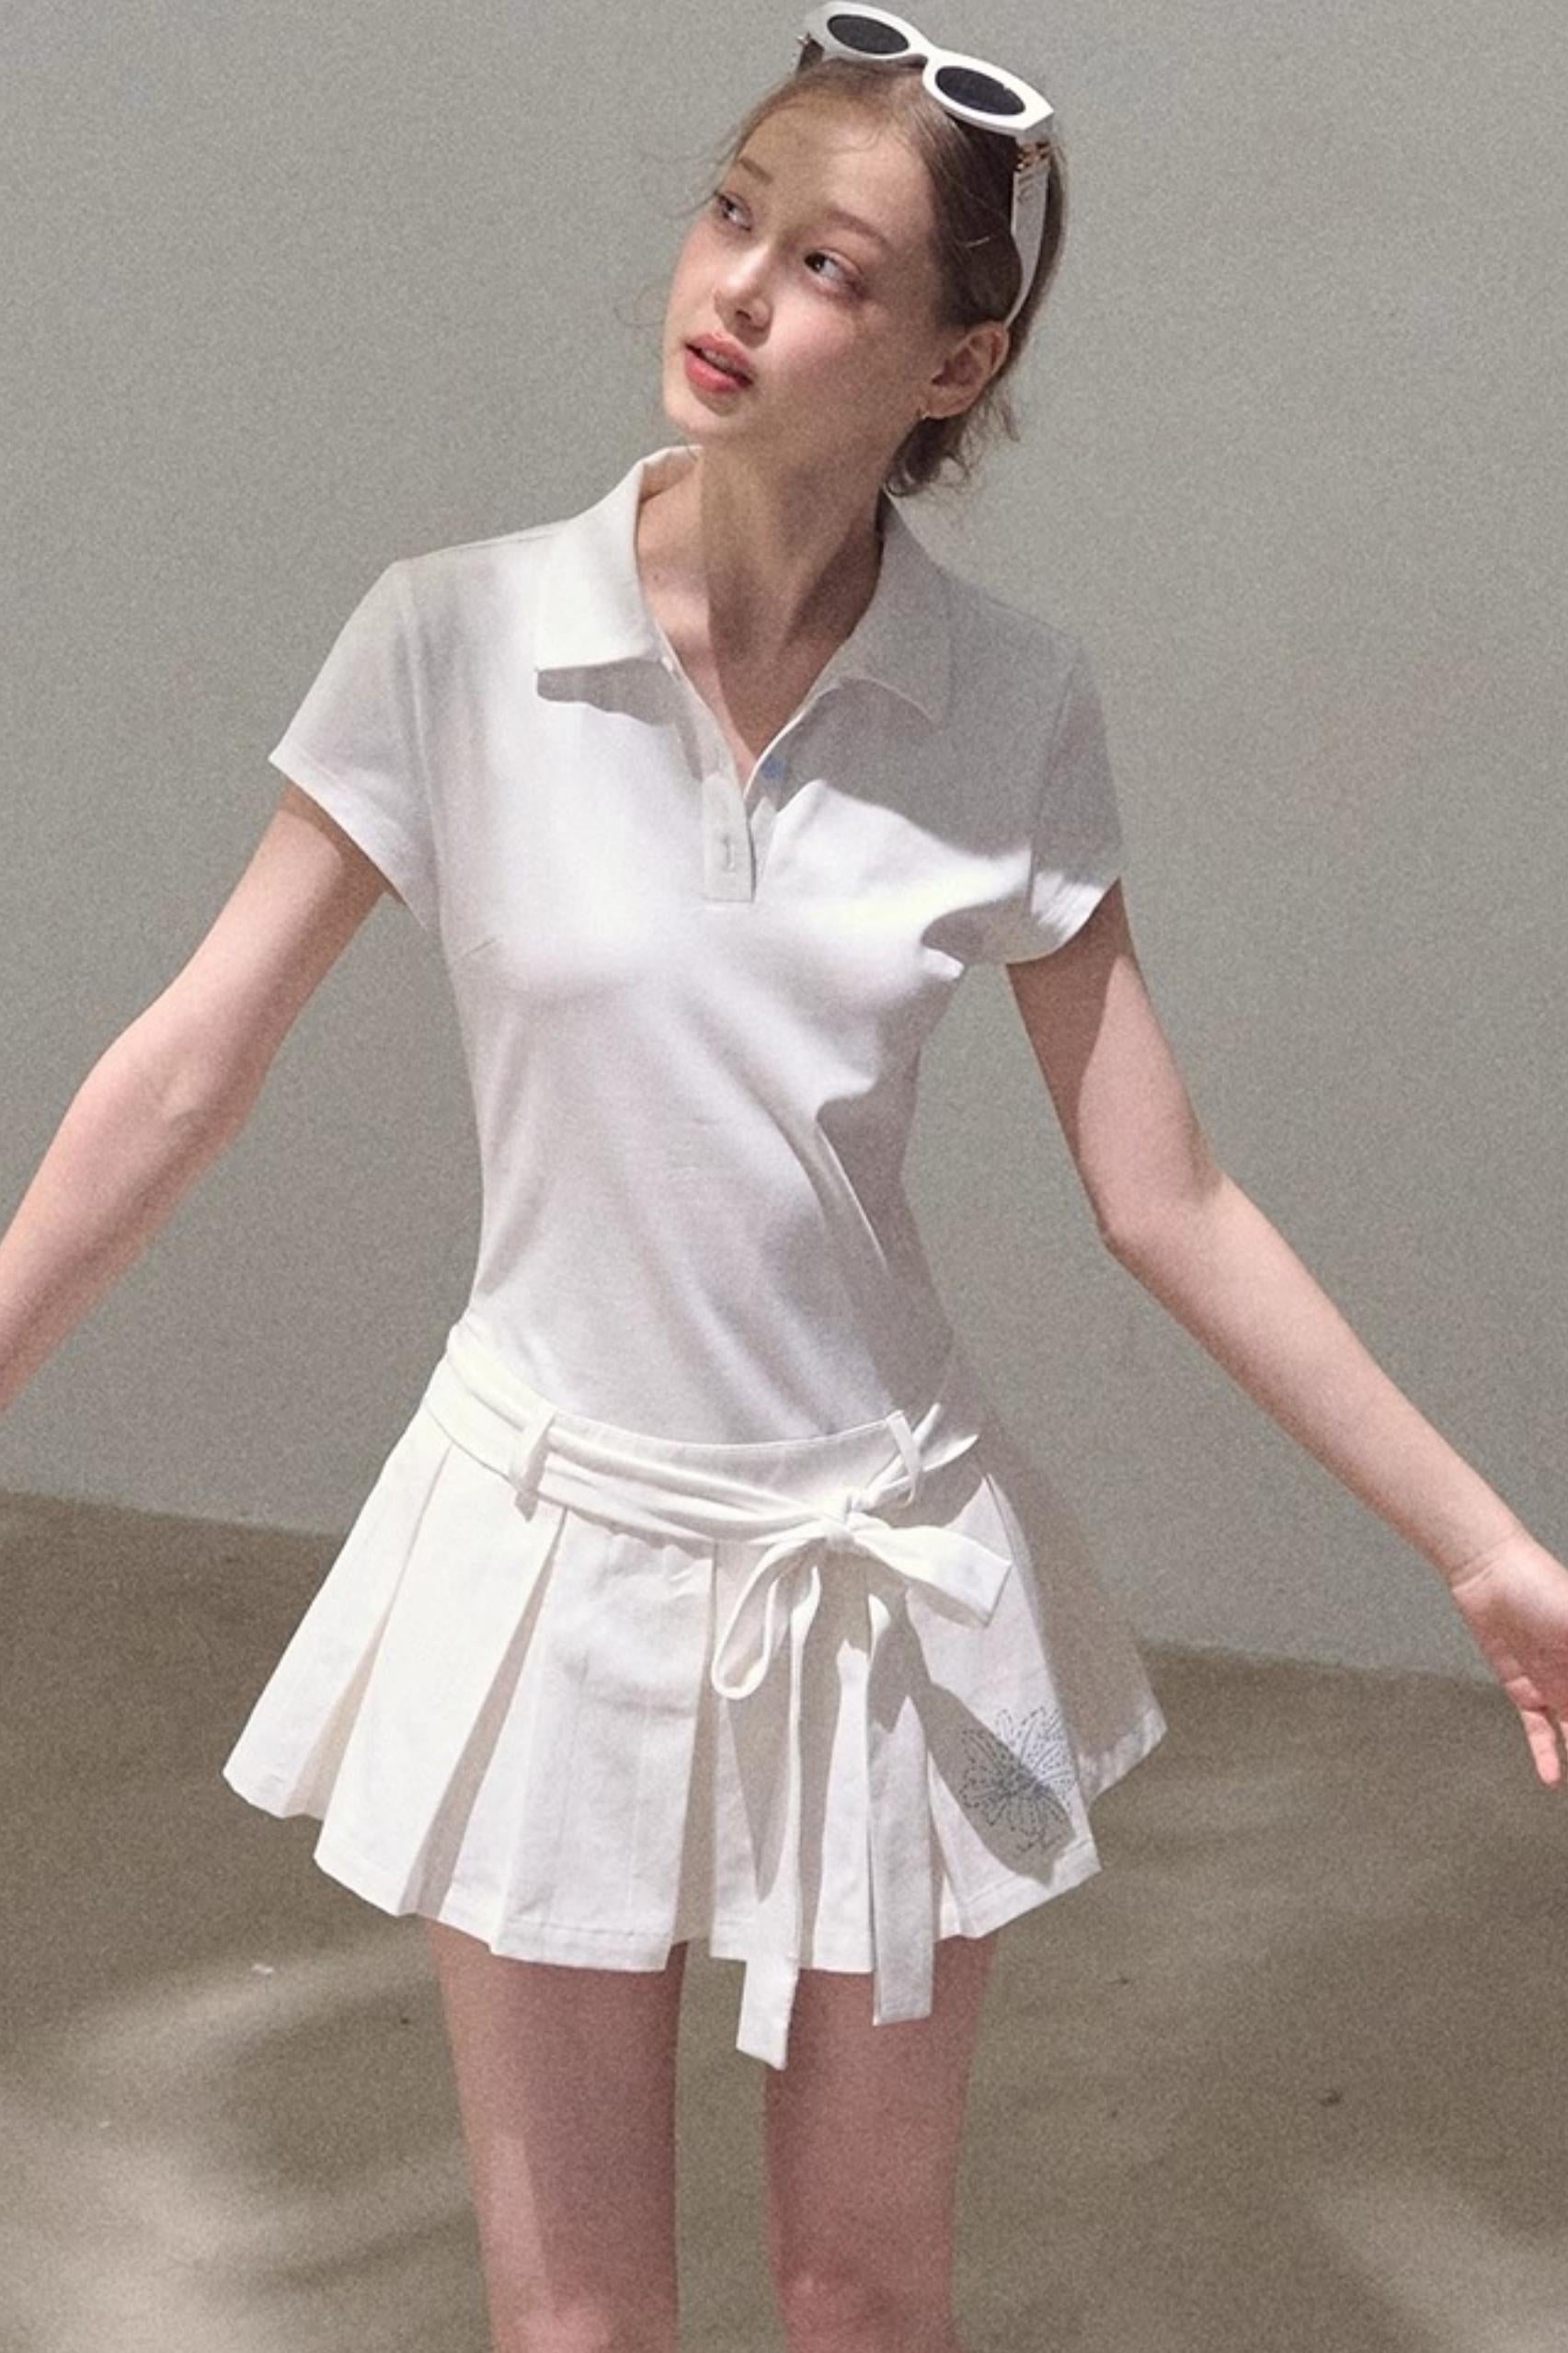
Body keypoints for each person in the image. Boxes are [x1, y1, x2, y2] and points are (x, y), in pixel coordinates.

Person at [3, 12, 1564, 2352]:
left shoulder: (1006, 703)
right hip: (548, 1555)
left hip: (885, 1578)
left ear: (956, 361)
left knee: (861, 2303)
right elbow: (182, 1073)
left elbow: (1166, 1197)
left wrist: (1483, 1546)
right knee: (580, 2326)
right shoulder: (453, 637)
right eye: (733, 209)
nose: (735, 284)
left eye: (829, 263)